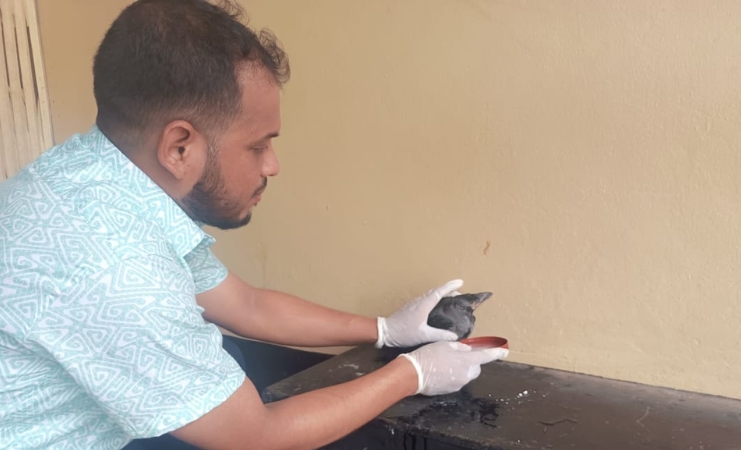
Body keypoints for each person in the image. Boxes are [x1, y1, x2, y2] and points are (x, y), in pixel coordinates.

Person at [0, 1, 508, 449]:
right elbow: (254, 436)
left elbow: (245, 305)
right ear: (179, 147)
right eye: (257, 145)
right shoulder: (117, 269)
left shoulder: (90, 177)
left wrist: (385, 331)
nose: (272, 166)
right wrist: (412, 374)